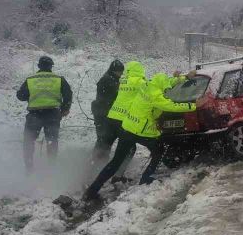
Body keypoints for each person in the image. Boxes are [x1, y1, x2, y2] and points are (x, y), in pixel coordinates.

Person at [83, 72, 196, 201]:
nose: (167, 90)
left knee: (115, 161)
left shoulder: (147, 85)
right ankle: (146, 178)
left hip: (127, 128)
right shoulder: (155, 95)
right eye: (166, 89)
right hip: (141, 131)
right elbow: (171, 106)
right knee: (159, 150)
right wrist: (194, 105)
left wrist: (182, 78)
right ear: (161, 86)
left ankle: (92, 191)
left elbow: (168, 81)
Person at [16, 56, 73, 173]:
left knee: (28, 141)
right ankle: (51, 169)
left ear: (39, 66)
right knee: (52, 141)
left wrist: (31, 96)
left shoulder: (30, 80)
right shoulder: (59, 79)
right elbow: (68, 94)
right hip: (53, 114)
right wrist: (65, 109)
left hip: (34, 115)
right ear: (51, 66)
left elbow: (20, 96)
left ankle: (29, 168)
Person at [99, 61, 147, 180]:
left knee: (104, 145)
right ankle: (117, 175)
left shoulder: (122, 81)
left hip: (111, 118)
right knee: (129, 148)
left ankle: (91, 172)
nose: (120, 73)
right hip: (123, 121)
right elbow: (154, 87)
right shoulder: (139, 82)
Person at [90, 60, 125, 163]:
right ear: (115, 70)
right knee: (103, 138)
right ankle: (98, 162)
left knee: (103, 138)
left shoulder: (111, 78)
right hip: (103, 113)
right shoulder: (108, 80)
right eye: (120, 71)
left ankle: (98, 160)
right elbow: (114, 96)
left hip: (102, 112)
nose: (121, 74)